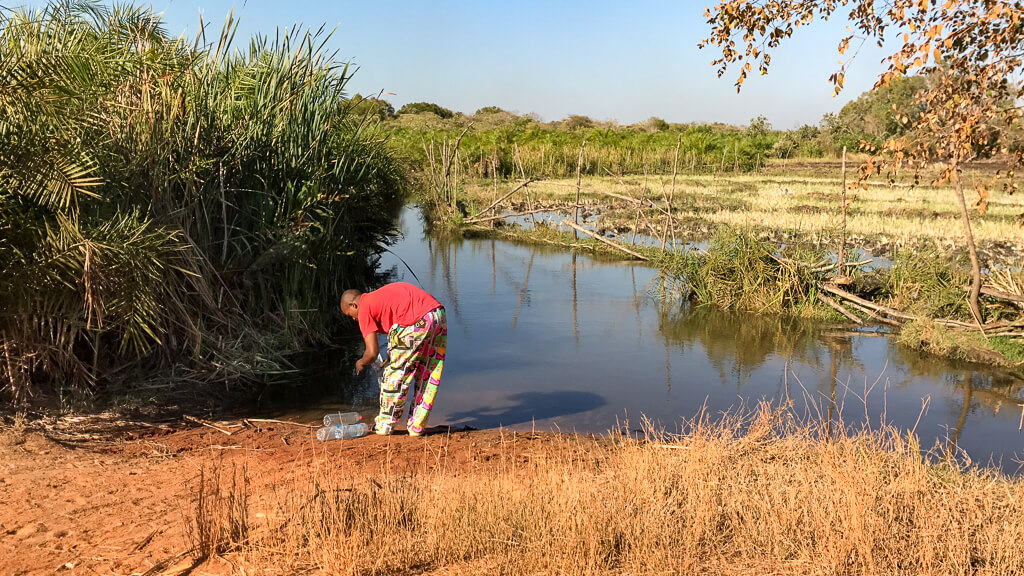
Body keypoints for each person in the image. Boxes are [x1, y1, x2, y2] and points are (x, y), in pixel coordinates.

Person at [340, 282, 447, 436]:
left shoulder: (364, 308)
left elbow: (372, 352)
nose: (355, 320)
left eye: (351, 315)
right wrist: (392, 355)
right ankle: (417, 425)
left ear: (354, 305)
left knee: (394, 375)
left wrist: (361, 362)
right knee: (428, 371)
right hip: (437, 314)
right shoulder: (376, 298)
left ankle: (384, 425)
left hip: (416, 321)